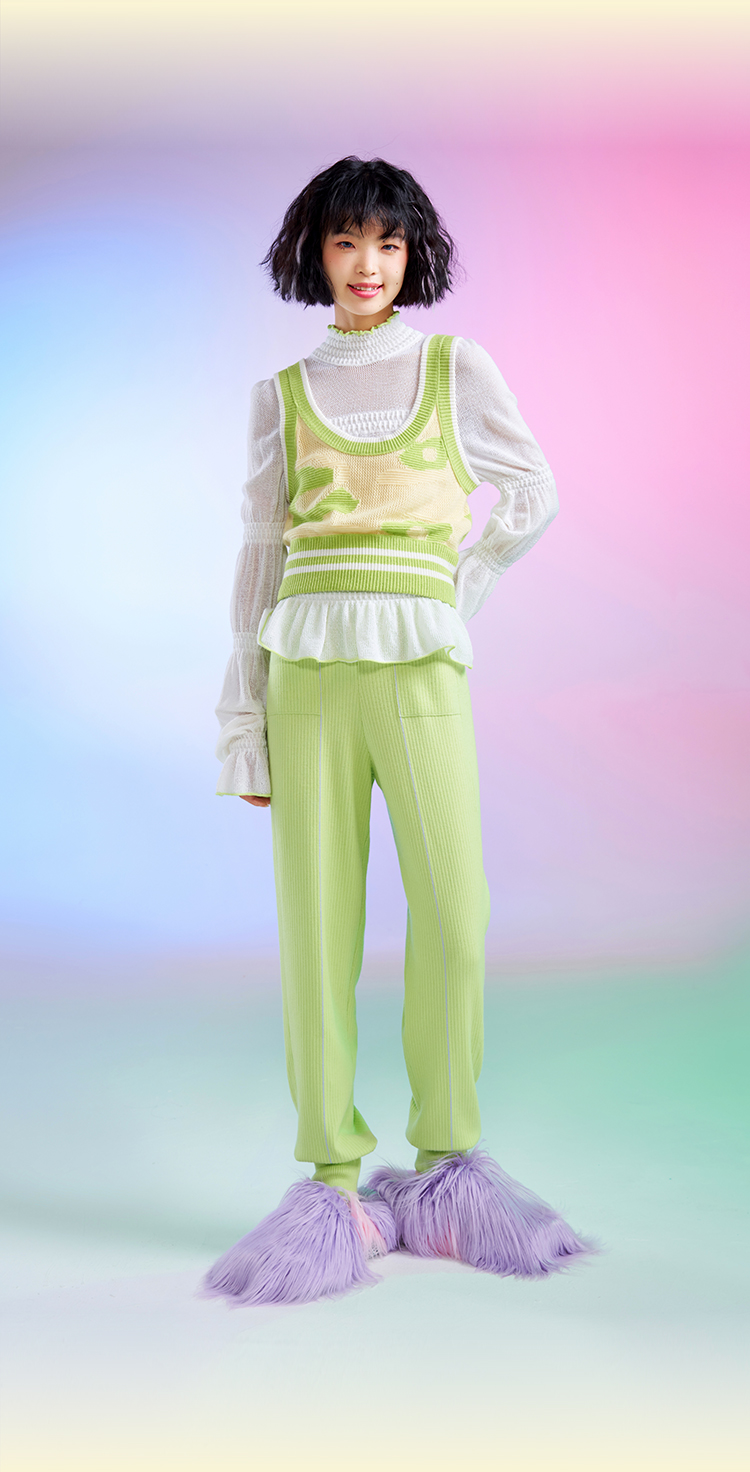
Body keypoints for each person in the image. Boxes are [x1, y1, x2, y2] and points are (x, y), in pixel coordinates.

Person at [201, 157, 597, 1307]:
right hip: (307, 671)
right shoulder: (281, 393)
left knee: (455, 914)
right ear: (315, 254)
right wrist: (243, 719)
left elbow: (531, 489)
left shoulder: (453, 367)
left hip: (418, 664)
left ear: (412, 251)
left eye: (386, 241)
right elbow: (258, 559)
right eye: (345, 241)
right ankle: (331, 1182)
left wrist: (451, 592)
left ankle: (446, 1162)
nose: (366, 263)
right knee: (317, 930)